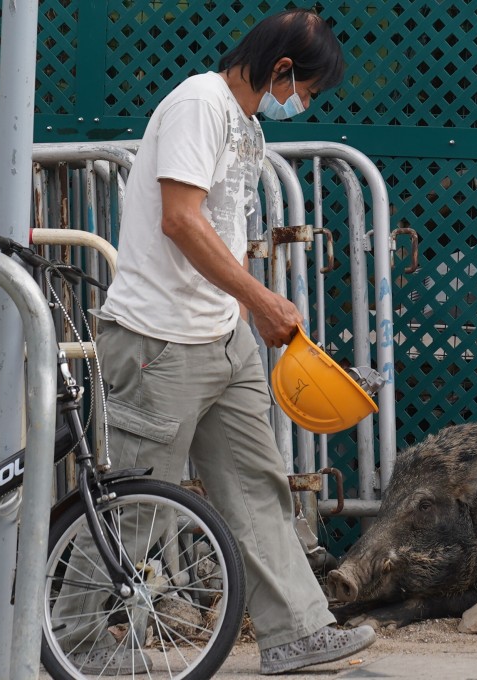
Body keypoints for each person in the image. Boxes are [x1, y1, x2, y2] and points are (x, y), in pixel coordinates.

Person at [54, 8, 375, 676]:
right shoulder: (198, 105)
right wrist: (260, 300)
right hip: (157, 342)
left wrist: (244, 309)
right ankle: (68, 639)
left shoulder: (246, 122)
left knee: (258, 487)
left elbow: (218, 231)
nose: (304, 105)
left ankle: (297, 633)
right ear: (282, 69)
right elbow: (180, 220)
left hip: (221, 338)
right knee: (134, 504)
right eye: (307, 91)